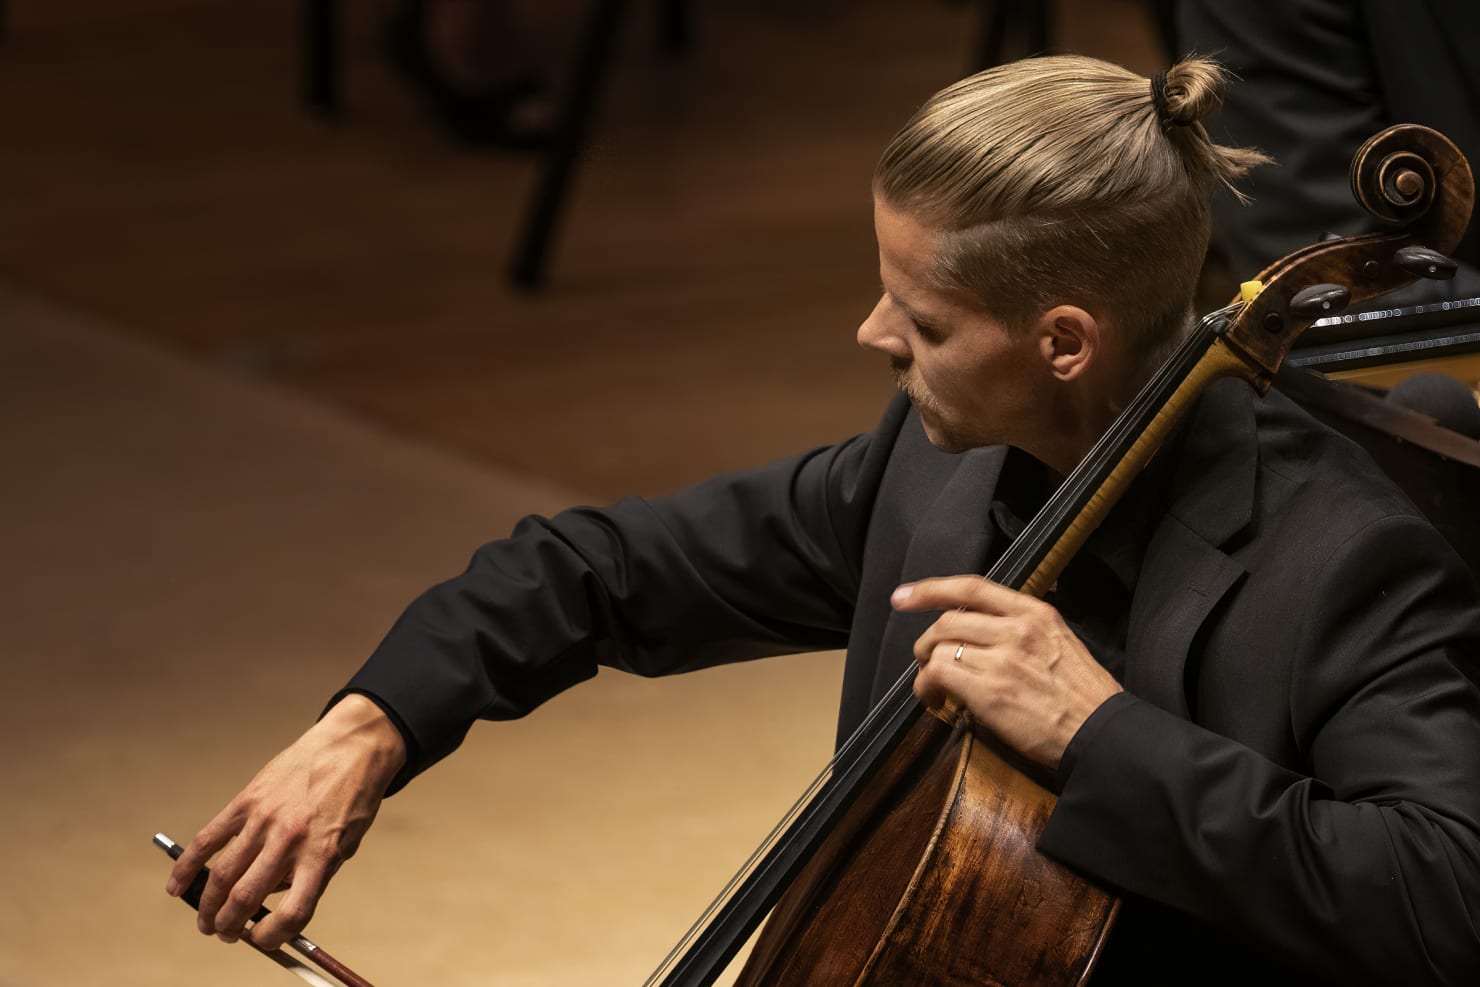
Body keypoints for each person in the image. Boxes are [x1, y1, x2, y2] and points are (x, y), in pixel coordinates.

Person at [167, 54, 1480, 984]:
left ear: (1064, 341)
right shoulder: (932, 467)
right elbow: (599, 568)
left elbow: (1444, 896)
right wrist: (365, 731)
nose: (870, 337)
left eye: (922, 321)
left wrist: (1098, 733)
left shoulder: (1347, 555)